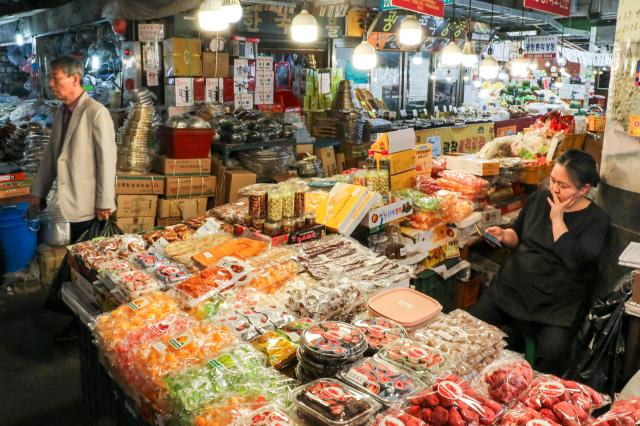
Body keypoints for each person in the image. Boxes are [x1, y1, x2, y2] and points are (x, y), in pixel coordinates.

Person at [468, 150, 609, 376]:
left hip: (555, 305)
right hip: (511, 289)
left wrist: (557, 218)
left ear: (583, 189)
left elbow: (575, 260)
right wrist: (505, 235)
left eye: (563, 186)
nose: (554, 188)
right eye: (553, 180)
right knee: (471, 330)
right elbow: (519, 233)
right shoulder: (538, 198)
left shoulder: (596, 220)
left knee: (553, 358)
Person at [29, 55, 116, 341]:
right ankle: (81, 320)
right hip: (69, 203)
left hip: (91, 205)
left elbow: (107, 161)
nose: (51, 83)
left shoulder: (96, 112)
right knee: (79, 266)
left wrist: (105, 201)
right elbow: (51, 157)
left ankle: (86, 326)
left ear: (75, 78)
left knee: (88, 269)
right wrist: (37, 192)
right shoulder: (61, 113)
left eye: (56, 78)